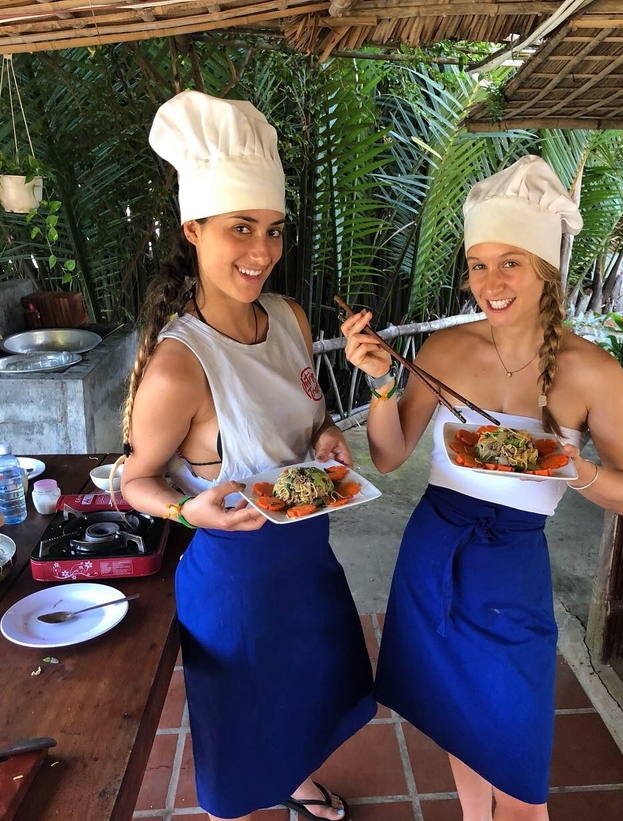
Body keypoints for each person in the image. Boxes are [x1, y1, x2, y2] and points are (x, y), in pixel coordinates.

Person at [340, 154, 623, 821]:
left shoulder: (594, 372)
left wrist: (574, 467)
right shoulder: (447, 351)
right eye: (479, 264)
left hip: (512, 570)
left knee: (522, 779)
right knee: (457, 721)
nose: (491, 282)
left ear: (545, 268)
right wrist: (380, 383)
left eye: (510, 262)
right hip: (434, 553)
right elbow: (389, 456)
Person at [120, 90, 375, 821]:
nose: (262, 250)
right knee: (243, 732)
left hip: (308, 562)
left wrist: (327, 435)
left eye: (271, 228)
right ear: (193, 229)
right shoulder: (179, 364)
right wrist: (181, 508)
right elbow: (129, 477)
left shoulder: (290, 317)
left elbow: (312, 415)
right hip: (237, 584)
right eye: (240, 228)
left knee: (310, 695)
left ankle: (296, 778)